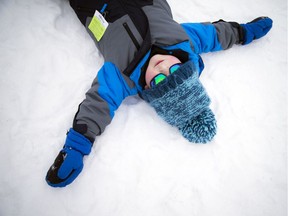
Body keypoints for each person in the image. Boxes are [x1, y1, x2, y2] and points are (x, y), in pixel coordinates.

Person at [46, 0, 273, 187]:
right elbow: (215, 35)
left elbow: (98, 104)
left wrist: (77, 146)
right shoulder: (185, 42)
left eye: (161, 79)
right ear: (184, 66)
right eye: (175, 70)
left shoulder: (123, 75)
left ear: (149, 88)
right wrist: (244, 32)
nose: (164, 67)